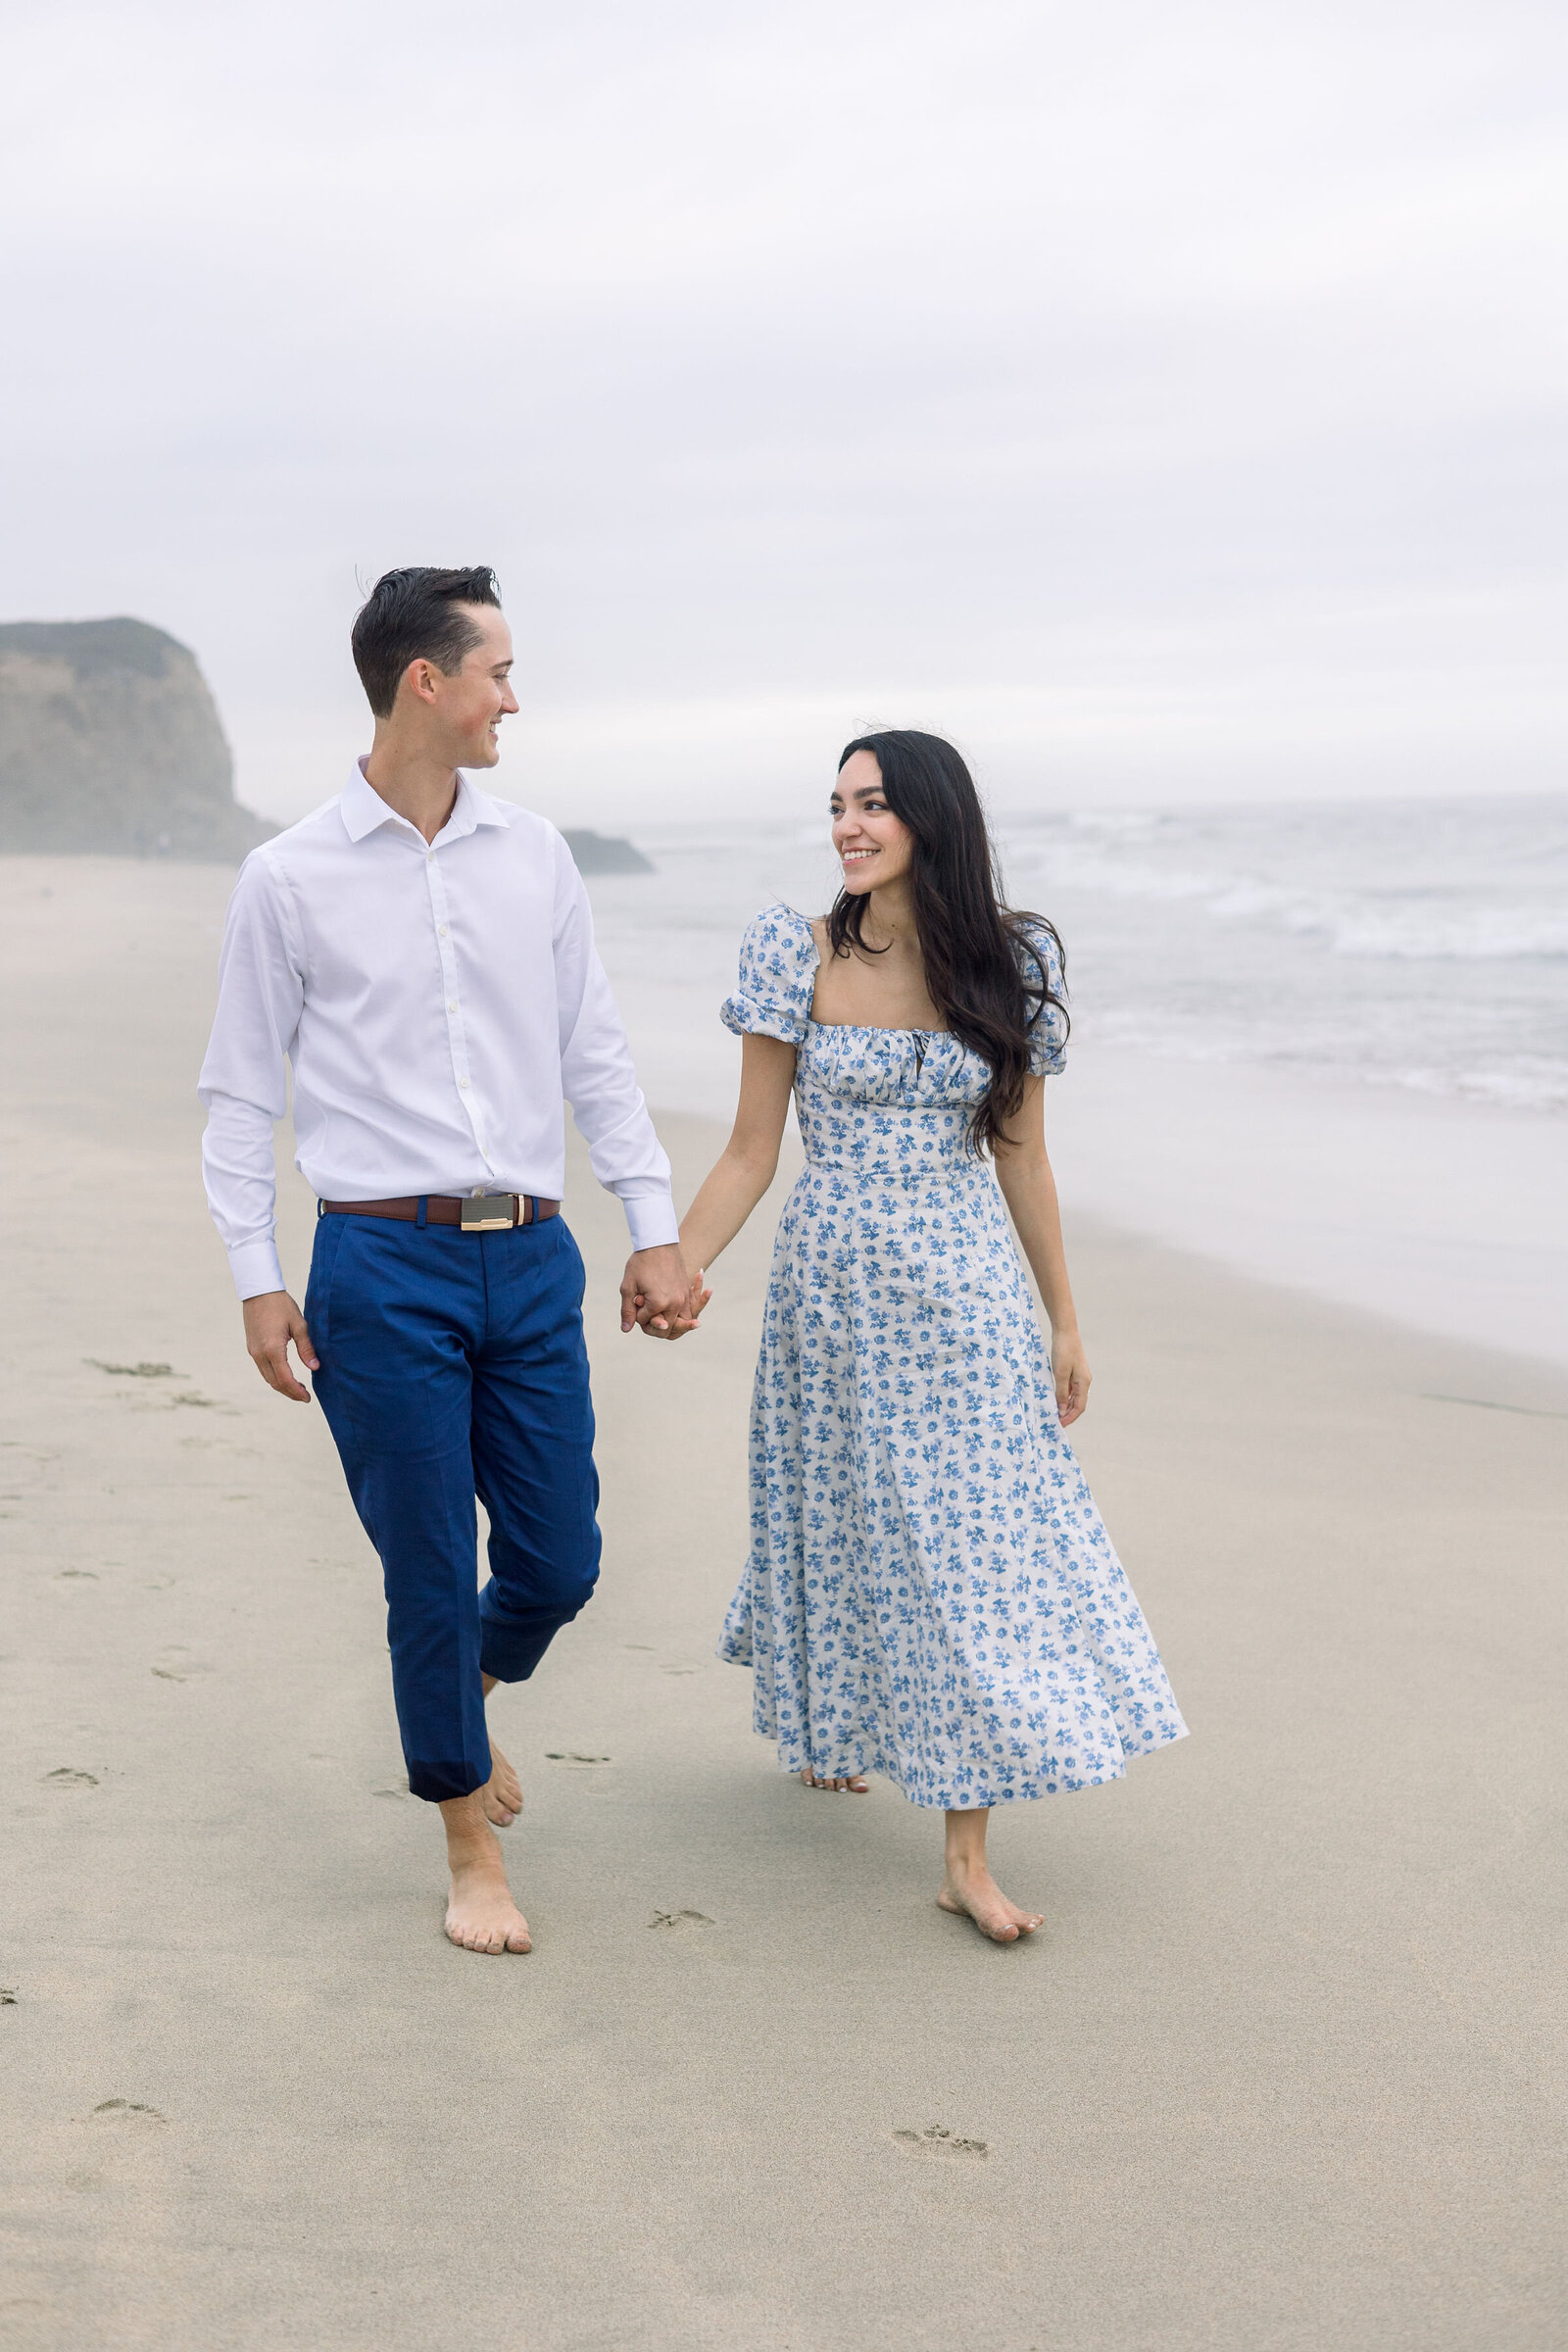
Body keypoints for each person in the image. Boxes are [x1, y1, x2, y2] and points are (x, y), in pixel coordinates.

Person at [198, 565, 697, 1958]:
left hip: (531, 1259)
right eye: (497, 674)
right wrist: (257, 1272)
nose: (512, 701)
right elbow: (242, 1094)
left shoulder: (533, 855)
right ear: (427, 681)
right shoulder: (287, 878)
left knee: (553, 1564)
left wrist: (650, 1223)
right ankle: (469, 1849)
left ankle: (457, 1705)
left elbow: (593, 1051)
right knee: (427, 1568)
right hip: (377, 1265)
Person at [677, 730, 1187, 1942]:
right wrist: (679, 1266)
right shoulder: (788, 953)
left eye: (874, 807)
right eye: (838, 807)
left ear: (930, 822)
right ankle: (837, 1729)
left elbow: (1023, 1155)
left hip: (964, 1302)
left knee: (972, 1555)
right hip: (832, 1298)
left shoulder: (1008, 962)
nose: (848, 827)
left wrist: (1064, 1317)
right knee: (847, 1513)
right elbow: (754, 1148)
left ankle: (964, 1853)